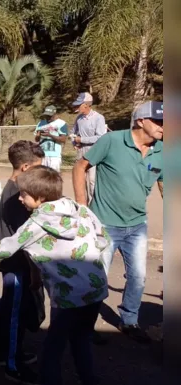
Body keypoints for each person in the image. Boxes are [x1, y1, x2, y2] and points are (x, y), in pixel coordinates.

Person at [0, 166, 110, 385]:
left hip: (69, 296)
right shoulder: (80, 209)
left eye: (24, 194)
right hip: (95, 289)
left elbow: (5, 248)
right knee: (81, 339)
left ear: (40, 198)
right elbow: (103, 238)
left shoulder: (36, 224)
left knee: (52, 349)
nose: (19, 198)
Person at [72, 100, 163, 344]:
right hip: (105, 223)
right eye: (158, 122)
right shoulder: (112, 141)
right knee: (96, 277)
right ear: (141, 121)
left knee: (139, 276)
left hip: (137, 225)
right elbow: (81, 166)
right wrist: (82, 206)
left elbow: (164, 182)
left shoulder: (163, 150)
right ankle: (86, 326)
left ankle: (129, 320)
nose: (163, 127)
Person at [0, 140, 46, 385]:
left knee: (13, 309)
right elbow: (24, 240)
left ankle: (7, 352)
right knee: (14, 313)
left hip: (18, 262)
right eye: (37, 167)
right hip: (16, 263)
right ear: (25, 167)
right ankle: (12, 365)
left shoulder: (17, 190)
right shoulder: (17, 196)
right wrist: (35, 271)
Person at [71, 93, 107, 204]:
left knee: (92, 180)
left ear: (86, 105)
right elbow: (73, 132)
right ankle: (83, 204)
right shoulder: (79, 118)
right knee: (80, 179)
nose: (77, 107)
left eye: (79, 105)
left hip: (94, 152)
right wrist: (74, 141)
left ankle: (94, 205)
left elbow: (100, 137)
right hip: (81, 152)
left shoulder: (98, 118)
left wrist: (81, 140)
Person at [35, 105, 69, 171]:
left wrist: (50, 135)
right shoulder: (40, 123)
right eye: (46, 116)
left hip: (54, 156)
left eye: (50, 116)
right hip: (42, 155)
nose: (48, 118)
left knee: (54, 177)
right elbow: (36, 139)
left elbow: (63, 139)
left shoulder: (61, 123)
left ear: (55, 114)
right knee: (42, 176)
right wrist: (38, 135)